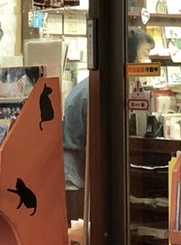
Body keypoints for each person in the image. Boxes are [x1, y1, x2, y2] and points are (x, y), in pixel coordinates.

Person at [63, 28, 154, 191]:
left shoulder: (100, 83)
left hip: (80, 169)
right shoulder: (102, 90)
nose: (148, 60)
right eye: (146, 53)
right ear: (129, 54)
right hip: (78, 174)